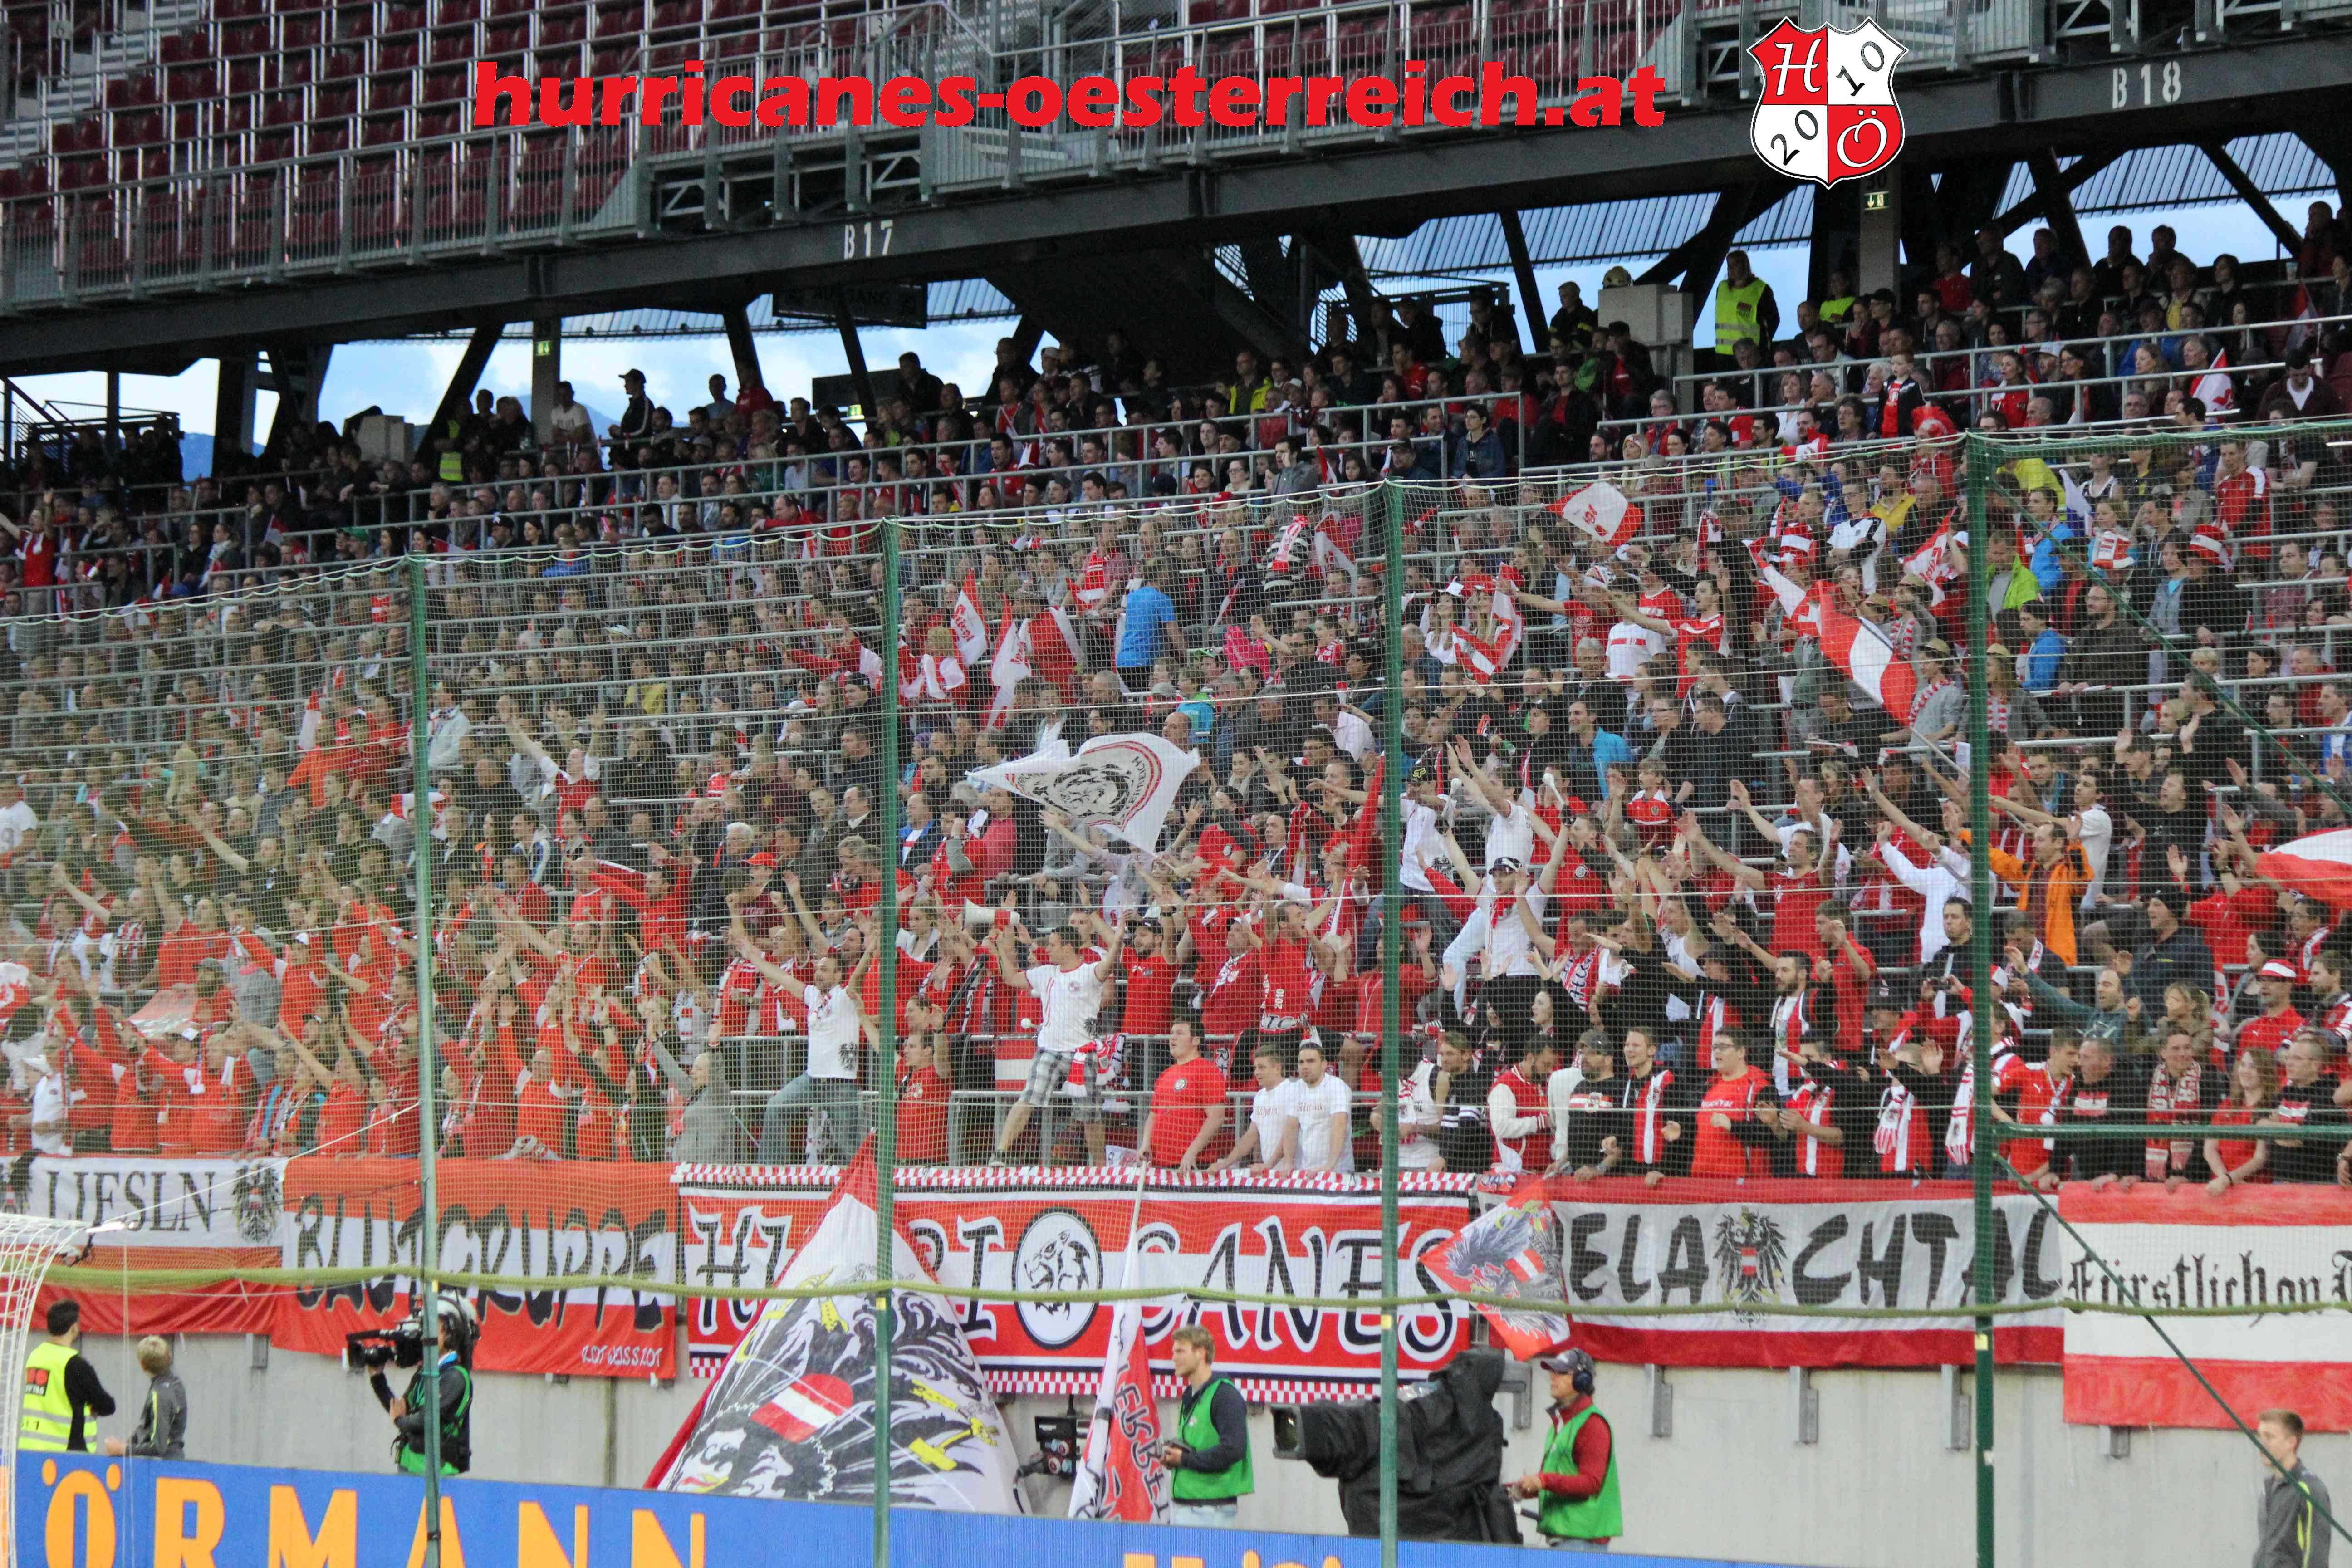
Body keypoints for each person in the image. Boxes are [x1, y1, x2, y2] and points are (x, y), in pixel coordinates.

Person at [1512, 1348, 1621, 1552]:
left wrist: (1543, 1481)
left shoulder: (1592, 1424)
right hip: (1569, 1541)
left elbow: (1591, 1483)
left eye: (1562, 1372)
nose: (1552, 1377)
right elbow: (1559, 1480)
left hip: (1582, 1542)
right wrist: (1524, 1488)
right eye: (1553, 1372)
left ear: (1582, 1381)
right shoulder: (1563, 1425)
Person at [366, 1294, 475, 1476]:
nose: (424, 1335)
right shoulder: (426, 1373)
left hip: (435, 1472)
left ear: (449, 1335)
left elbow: (426, 1419)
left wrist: (399, 1421)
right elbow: (400, 1409)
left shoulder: (456, 1377)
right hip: (410, 1465)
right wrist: (378, 1379)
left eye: (432, 1329)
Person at [1161, 1325, 1251, 1528]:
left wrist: (1183, 1459)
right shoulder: (1192, 1397)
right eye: (1174, 1352)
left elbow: (1234, 1449)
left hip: (1209, 1510)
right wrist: (1176, 1457)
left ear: (1201, 1353)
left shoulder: (1225, 1395)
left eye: (1180, 1351)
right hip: (1190, 1506)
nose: (1174, 1358)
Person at [20, 1299, 113, 1453]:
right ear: (74, 1327)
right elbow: (107, 1405)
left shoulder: (35, 1356)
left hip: (29, 1446)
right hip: (65, 1452)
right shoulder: (75, 1364)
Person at [2254, 1408, 2332, 1568]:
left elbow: (2317, 1556)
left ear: (2291, 1442)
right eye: (2260, 1436)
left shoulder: (2309, 1489)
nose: (2262, 1444)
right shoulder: (2268, 1490)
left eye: (2269, 1437)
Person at [102, 1336, 186, 1459]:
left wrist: (123, 1449)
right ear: (170, 1357)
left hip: (164, 1465)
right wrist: (128, 1444)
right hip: (173, 1459)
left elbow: (158, 1447)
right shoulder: (174, 1383)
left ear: (143, 1365)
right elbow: (146, 1427)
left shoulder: (160, 1395)